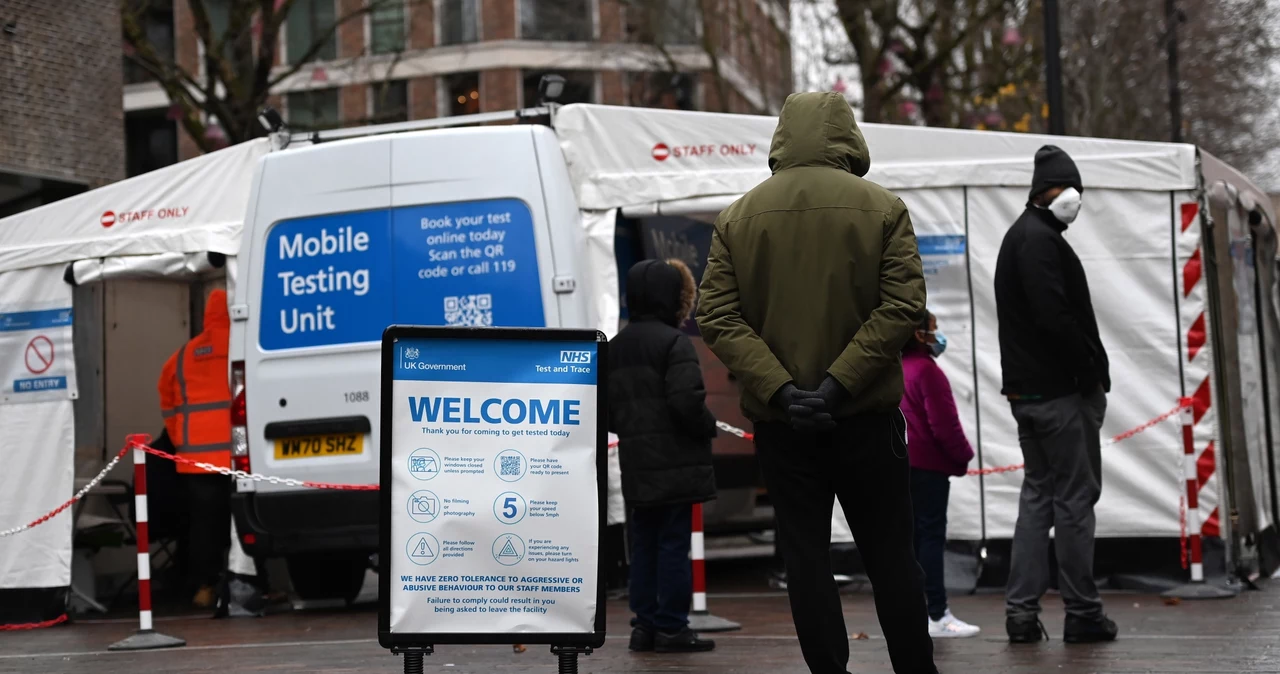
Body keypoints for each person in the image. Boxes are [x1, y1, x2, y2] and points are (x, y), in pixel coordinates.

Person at [697, 91, 935, 674]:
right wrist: (838, 384)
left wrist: (781, 389)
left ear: (783, 137)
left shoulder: (737, 217)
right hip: (865, 419)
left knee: (804, 556)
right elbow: (903, 305)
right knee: (891, 557)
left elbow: (718, 317)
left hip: (785, 426)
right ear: (848, 135)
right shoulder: (883, 208)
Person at [994, 145, 1115, 644]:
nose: (1076, 199)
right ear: (1045, 191)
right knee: (1073, 502)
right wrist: (1089, 373)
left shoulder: (1019, 238)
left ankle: (1021, 614)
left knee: (1037, 498)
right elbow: (1056, 318)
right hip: (1061, 395)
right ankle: (1082, 612)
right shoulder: (1040, 241)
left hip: (1028, 396)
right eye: (1070, 189)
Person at [609, 258, 718, 654]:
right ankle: (672, 627)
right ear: (676, 297)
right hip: (676, 462)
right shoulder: (675, 343)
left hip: (637, 462)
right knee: (673, 544)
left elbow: (607, 411)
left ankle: (644, 627)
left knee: (644, 543)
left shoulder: (616, 345)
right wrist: (708, 424)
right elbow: (686, 403)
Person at [901, 310, 979, 638]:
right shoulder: (928, 373)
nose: (938, 334)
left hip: (900, 465)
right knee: (931, 537)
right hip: (929, 468)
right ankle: (937, 613)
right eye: (933, 329)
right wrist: (964, 457)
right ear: (919, 335)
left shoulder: (895, 369)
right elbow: (944, 425)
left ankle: (911, 612)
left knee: (909, 539)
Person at [157, 288, 233, 609]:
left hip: (194, 461)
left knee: (203, 527)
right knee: (238, 525)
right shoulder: (241, 347)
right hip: (237, 457)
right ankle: (250, 585)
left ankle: (203, 587)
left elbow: (168, 404)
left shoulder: (183, 356)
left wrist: (182, 443)